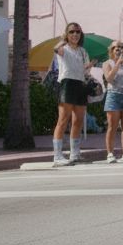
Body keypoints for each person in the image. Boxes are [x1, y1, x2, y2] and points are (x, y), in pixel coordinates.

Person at [52, 22, 92, 167]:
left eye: (78, 32)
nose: (75, 34)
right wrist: (63, 39)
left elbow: (85, 71)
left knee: (78, 120)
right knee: (63, 120)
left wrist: (88, 67)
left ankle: (75, 154)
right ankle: (57, 156)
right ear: (67, 34)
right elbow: (55, 49)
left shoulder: (83, 51)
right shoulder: (64, 48)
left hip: (80, 84)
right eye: (72, 32)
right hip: (67, 84)